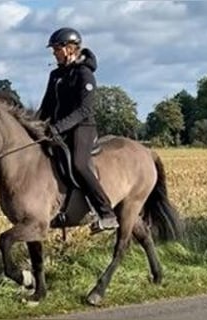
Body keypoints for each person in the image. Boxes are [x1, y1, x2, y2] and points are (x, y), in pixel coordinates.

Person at [37, 27, 119, 233]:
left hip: (82, 128)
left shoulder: (85, 74)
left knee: (79, 164)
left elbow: (85, 109)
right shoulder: (55, 75)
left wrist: (59, 126)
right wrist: (35, 127)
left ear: (70, 49)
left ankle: (105, 212)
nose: (54, 53)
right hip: (57, 129)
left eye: (56, 49)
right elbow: (46, 106)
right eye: (53, 49)